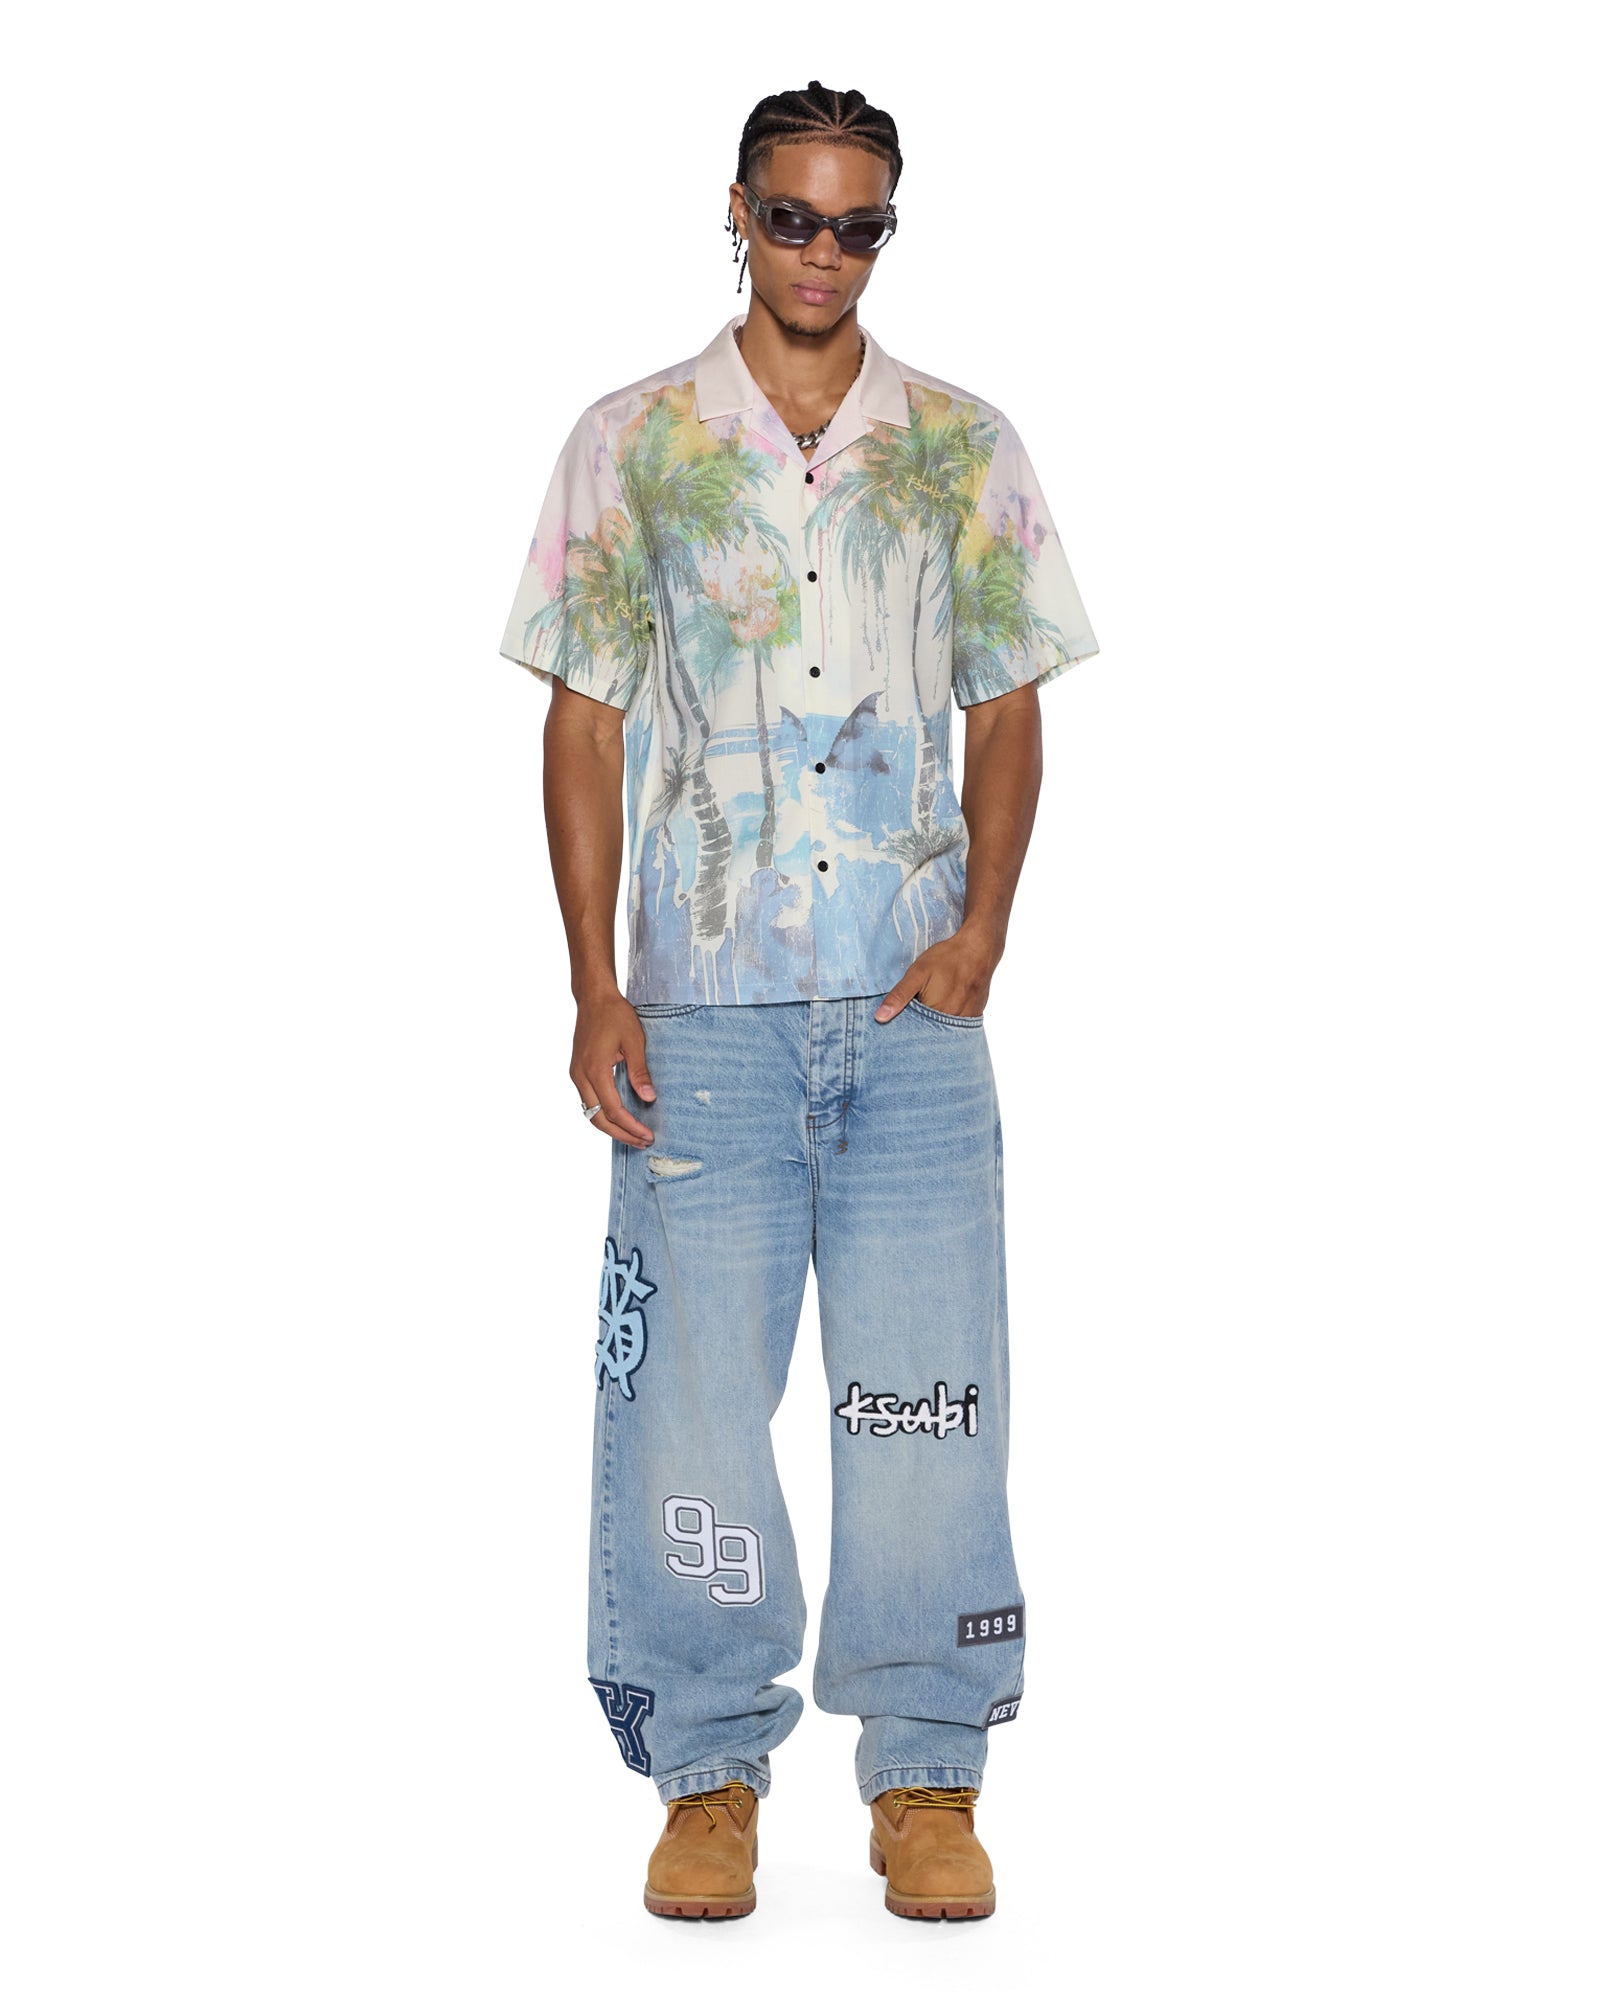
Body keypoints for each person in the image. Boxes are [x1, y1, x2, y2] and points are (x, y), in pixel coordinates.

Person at [497, 79, 1099, 1922]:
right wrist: (592, 981)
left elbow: (1010, 706)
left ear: (884, 230)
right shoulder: (632, 444)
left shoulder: (964, 447)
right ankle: (706, 1772)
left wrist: (984, 933)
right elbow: (584, 721)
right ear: (738, 212)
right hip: (706, 1005)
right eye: (792, 218)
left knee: (926, 1398)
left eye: (859, 225)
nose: (823, 254)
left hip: (914, 1007)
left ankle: (926, 1771)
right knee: (690, 1406)